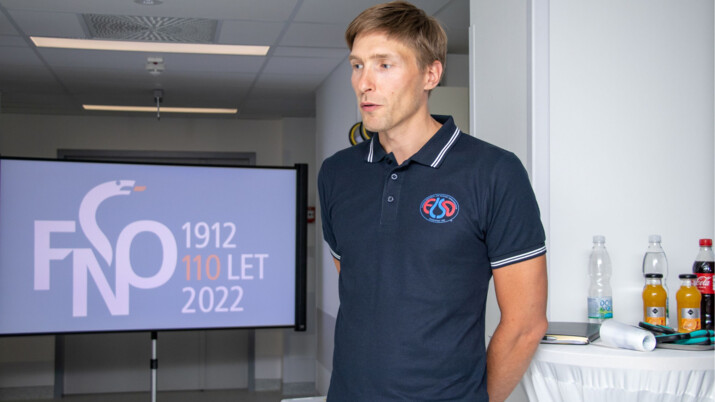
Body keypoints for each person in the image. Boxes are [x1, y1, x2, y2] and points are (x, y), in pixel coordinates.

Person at [317, 1, 548, 401]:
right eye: (357, 65)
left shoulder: (494, 172)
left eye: (384, 65)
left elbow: (526, 325)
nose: (364, 83)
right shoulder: (337, 173)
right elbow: (359, 282)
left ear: (431, 74)